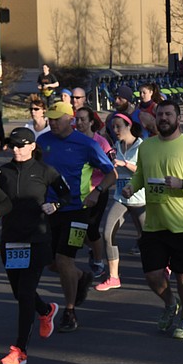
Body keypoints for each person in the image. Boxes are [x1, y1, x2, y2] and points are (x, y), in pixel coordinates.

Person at [122, 100, 183, 339]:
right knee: (152, 274)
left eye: (169, 114)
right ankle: (171, 304)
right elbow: (140, 175)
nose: (164, 118)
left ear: (178, 119)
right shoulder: (148, 147)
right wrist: (131, 187)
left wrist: (182, 184)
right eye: (160, 114)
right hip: (154, 223)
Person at [36, 102, 116, 332]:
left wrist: (97, 192)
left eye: (56, 119)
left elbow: (111, 173)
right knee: (51, 262)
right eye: (49, 118)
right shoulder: (44, 141)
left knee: (64, 260)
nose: (51, 123)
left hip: (77, 211)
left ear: (69, 120)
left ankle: (69, 311)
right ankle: (80, 277)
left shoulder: (87, 144)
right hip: (50, 210)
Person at [0, 128, 70, 364]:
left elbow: (66, 194)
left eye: (21, 145)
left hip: (36, 240)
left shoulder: (44, 171)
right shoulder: (3, 172)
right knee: (20, 293)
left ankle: (20, 351)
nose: (16, 149)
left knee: (26, 293)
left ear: (32, 146)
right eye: (13, 145)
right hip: (11, 240)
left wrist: (55, 205)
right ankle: (46, 309)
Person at [96, 113, 146, 291]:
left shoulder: (142, 146)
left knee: (148, 239)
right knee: (108, 234)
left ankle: (163, 267)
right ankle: (113, 277)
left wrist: (124, 164)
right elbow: (115, 172)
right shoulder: (117, 146)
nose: (115, 130)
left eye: (119, 126)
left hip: (140, 200)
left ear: (129, 126)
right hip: (121, 198)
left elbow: (144, 171)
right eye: (113, 127)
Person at [75, 106, 115, 279]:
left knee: (91, 228)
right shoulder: (73, 140)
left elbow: (110, 167)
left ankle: (98, 262)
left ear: (91, 122)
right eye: (77, 119)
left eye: (83, 119)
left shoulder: (100, 142)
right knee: (76, 227)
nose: (79, 123)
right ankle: (90, 249)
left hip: (98, 190)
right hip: (78, 191)